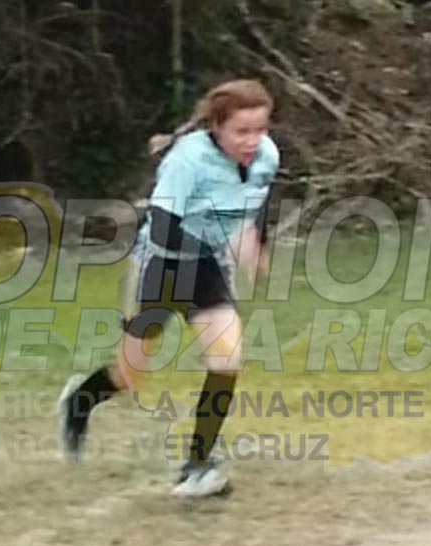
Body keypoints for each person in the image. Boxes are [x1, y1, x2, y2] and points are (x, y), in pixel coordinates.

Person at [58, 79, 279, 498]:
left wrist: (256, 240)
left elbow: (258, 197)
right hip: (159, 264)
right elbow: (162, 226)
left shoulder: (266, 154)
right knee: (128, 376)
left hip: (207, 266)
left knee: (227, 359)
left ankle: (198, 466)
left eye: (260, 129)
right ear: (216, 126)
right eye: (241, 131)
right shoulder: (187, 160)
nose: (253, 140)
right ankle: (80, 400)